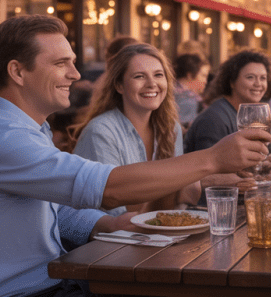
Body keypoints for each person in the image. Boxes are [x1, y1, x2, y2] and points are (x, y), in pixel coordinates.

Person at [0, 15, 268, 297]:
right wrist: (212, 158)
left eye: (73, 63)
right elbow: (108, 189)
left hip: (45, 283)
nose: (76, 75)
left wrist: (110, 223)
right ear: (17, 72)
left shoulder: (26, 129)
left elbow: (58, 212)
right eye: (62, 64)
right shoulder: (0, 137)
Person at [71, 43, 198, 214]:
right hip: (111, 236)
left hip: (159, 234)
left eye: (158, 75)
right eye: (139, 76)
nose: (152, 84)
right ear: (119, 85)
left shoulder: (171, 128)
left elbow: (177, 190)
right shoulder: (101, 132)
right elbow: (112, 209)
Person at [185, 50, 271, 154]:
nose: (258, 84)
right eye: (250, 77)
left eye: (263, 78)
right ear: (232, 82)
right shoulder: (215, 119)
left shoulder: (247, 113)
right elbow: (207, 165)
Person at [173, 53, 209, 126]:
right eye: (203, 75)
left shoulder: (168, 91)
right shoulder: (190, 100)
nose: (205, 81)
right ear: (189, 75)